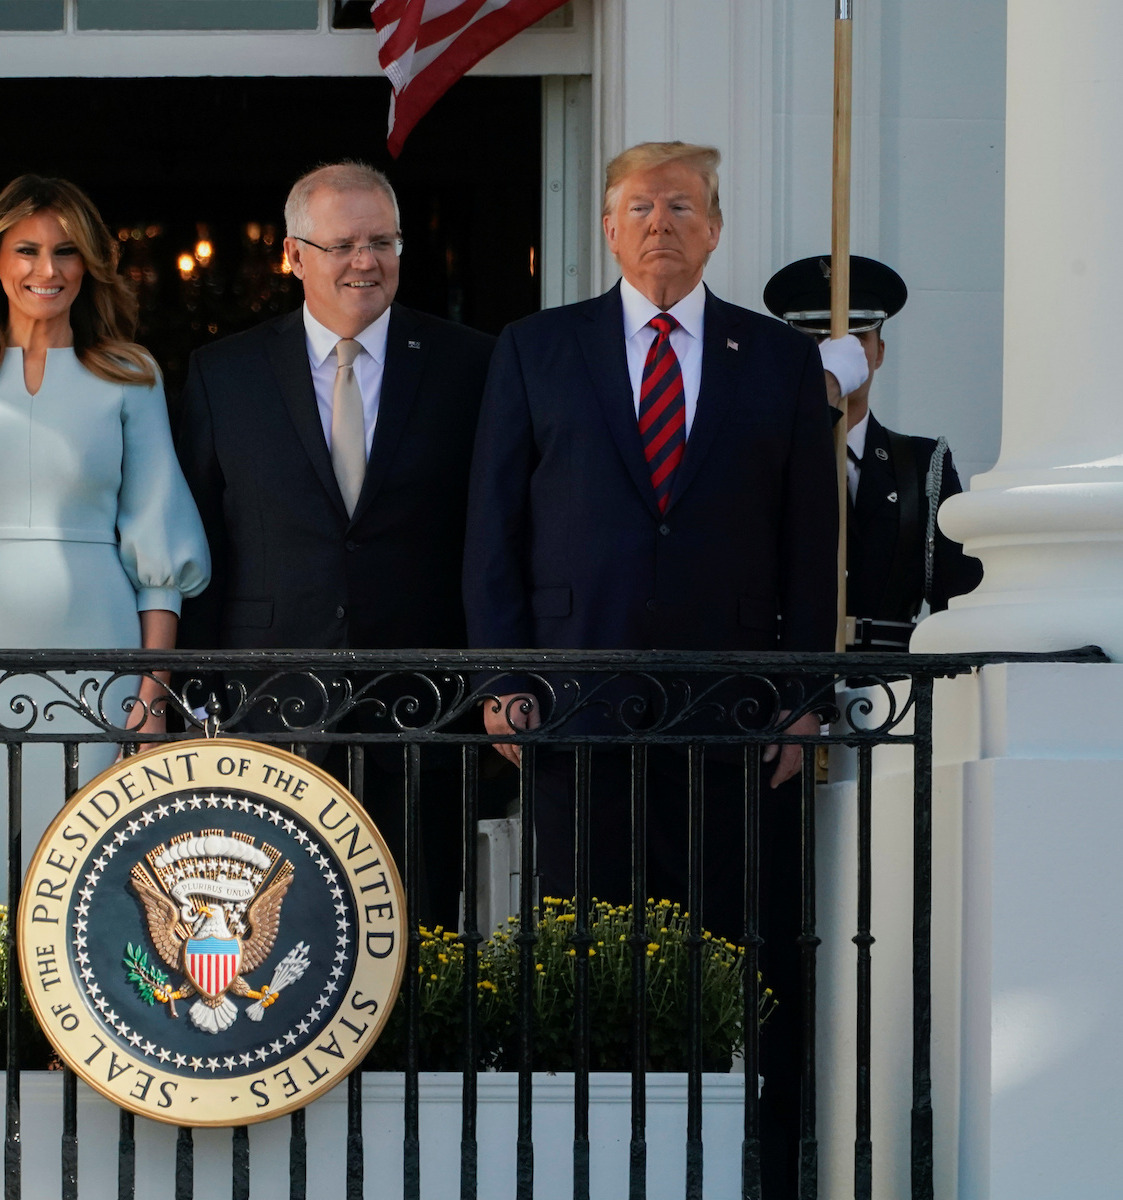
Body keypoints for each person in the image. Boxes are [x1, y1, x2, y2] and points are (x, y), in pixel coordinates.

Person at [462, 142, 837, 1197]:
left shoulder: (776, 360)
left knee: (744, 954)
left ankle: (751, 1170)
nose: (661, 222)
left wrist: (805, 700)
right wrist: (501, 678)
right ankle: (593, 1167)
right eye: (640, 205)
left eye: (682, 205)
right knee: (588, 953)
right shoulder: (537, 349)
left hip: (737, 720)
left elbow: (813, 545)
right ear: (608, 228)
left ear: (716, 227)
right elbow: (493, 528)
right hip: (575, 709)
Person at [0, 175, 210, 904]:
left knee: (100, 878)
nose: (45, 270)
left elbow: (158, 545)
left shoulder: (131, 376)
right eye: (26, 250)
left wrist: (154, 693)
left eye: (65, 252)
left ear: (89, 266)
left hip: (103, 655)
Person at [174, 161, 495, 925]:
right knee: (274, 928)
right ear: (293, 255)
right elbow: (201, 541)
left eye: (382, 242)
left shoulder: (471, 365)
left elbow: (494, 532)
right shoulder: (225, 373)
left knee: (416, 926)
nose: (365, 261)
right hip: (269, 705)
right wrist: (194, 696)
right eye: (343, 244)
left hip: (424, 705)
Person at [764, 254, 984, 649]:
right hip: (783, 688)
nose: (837, 352)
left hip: (889, 690)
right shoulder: (760, 455)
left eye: (854, 339)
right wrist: (822, 395)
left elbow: (959, 595)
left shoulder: (921, 465)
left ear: (878, 352)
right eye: (817, 339)